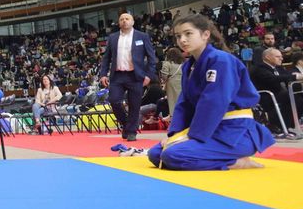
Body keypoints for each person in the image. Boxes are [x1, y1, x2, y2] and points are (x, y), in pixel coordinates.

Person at [147, 14, 275, 170]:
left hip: (233, 132)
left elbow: (214, 101)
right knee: (155, 153)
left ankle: (236, 161)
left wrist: (191, 135)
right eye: (178, 36)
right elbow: (184, 103)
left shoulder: (221, 60)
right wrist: (174, 135)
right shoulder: (189, 66)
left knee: (172, 155)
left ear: (205, 34)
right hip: (209, 129)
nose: (182, 40)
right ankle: (218, 155)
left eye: (188, 33)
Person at [98, 13, 157, 141]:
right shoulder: (113, 38)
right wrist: (103, 74)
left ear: (133, 22)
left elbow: (152, 58)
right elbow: (106, 58)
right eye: (122, 19)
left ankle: (131, 132)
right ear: (119, 23)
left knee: (134, 105)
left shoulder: (142, 36)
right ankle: (126, 124)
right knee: (114, 100)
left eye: (127, 19)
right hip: (117, 75)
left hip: (136, 76)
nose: (124, 21)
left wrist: (149, 75)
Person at [250, 48, 303, 135]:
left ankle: (291, 125)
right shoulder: (259, 68)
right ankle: (284, 126)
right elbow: (272, 79)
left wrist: (294, 77)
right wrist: (295, 76)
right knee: (291, 96)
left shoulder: (278, 68)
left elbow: (287, 76)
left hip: (279, 95)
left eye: (281, 56)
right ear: (267, 57)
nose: (281, 59)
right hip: (266, 96)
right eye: (278, 57)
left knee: (298, 96)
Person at [160, 47, 185, 118]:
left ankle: (173, 116)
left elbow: (164, 75)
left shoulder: (167, 63)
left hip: (171, 83)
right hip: (182, 82)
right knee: (181, 100)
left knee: (172, 101)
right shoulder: (183, 63)